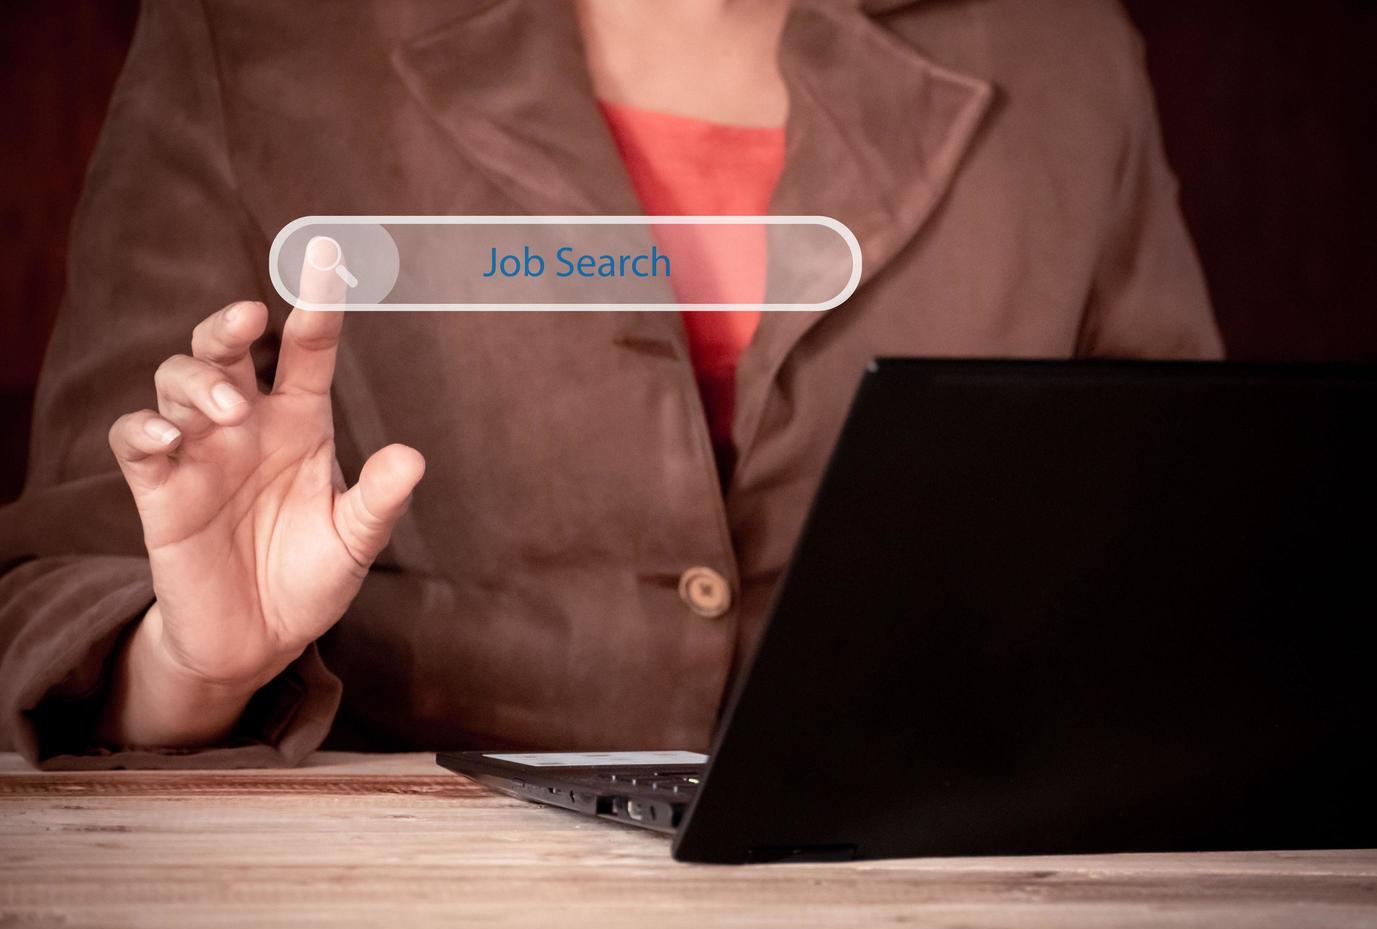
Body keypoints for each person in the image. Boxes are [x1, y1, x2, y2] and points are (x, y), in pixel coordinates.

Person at [0, 0, 1220, 769]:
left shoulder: (1070, 51)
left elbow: (1194, 558)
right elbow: (62, 570)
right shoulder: (251, 33)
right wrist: (194, 663)